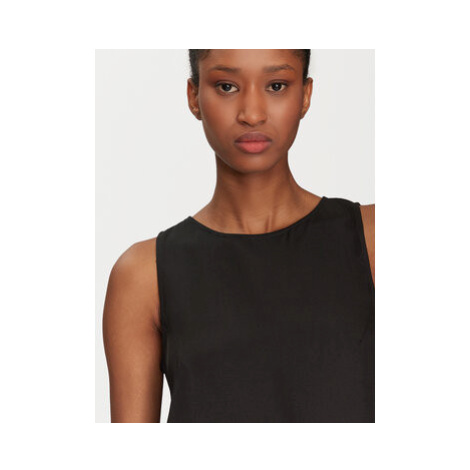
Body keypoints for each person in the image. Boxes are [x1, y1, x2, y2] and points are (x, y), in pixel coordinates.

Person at [102, 49, 375, 423]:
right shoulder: (143, 275)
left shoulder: (373, 240)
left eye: (276, 86)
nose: (252, 113)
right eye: (227, 86)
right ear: (194, 97)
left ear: (305, 95)